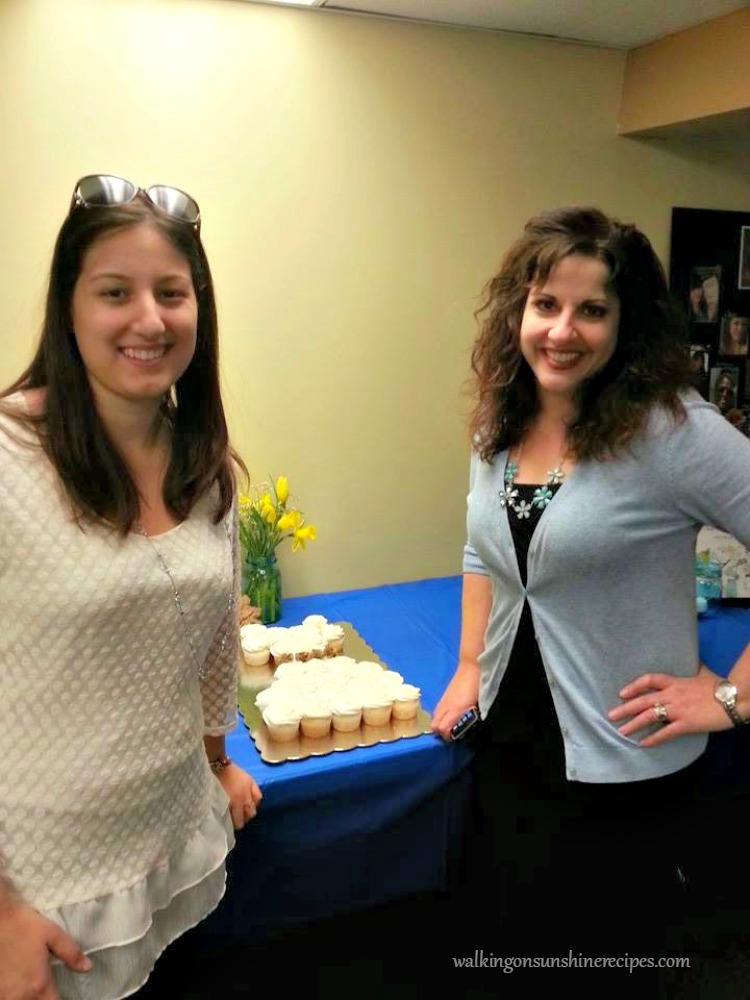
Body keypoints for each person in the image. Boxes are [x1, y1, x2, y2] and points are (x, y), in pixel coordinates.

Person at [432, 206, 750, 955]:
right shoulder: (498, 423)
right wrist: (471, 665)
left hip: (624, 760)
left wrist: (733, 698)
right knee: (502, 953)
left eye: (592, 311)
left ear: (626, 323)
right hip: (512, 743)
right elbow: (483, 554)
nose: (562, 331)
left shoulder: (674, 431)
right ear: (519, 310)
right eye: (546, 305)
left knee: (598, 965)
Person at [0, 174, 262, 1000]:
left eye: (172, 293)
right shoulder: (9, 461)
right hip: (43, 891)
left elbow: (214, 638)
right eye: (116, 291)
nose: (149, 320)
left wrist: (218, 762)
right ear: (69, 305)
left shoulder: (204, 463)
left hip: (173, 847)